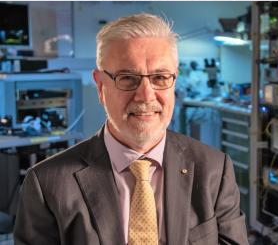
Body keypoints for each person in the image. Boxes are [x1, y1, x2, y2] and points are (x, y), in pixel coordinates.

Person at [14, 13, 249, 244]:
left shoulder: (214, 170)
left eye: (160, 77)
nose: (146, 95)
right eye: (127, 78)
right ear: (100, 86)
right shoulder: (47, 184)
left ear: (174, 81)